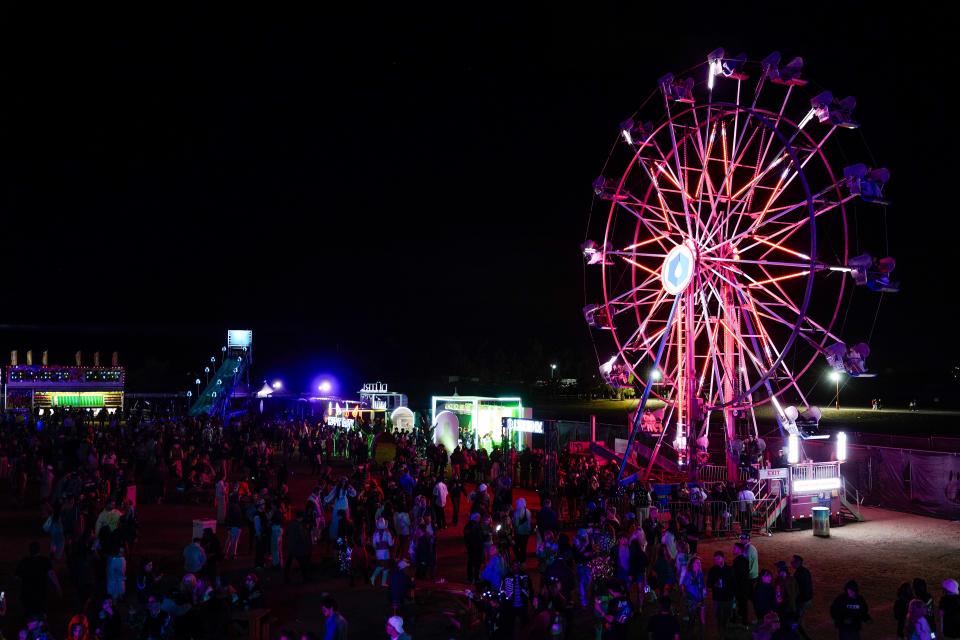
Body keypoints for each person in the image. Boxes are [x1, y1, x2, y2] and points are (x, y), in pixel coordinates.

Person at [15, 540, 62, 618]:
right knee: (41, 615)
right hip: (40, 594)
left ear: (30, 550)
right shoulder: (44, 561)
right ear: (39, 550)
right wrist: (58, 588)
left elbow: (16, 578)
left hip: (26, 594)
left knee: (29, 616)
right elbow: (52, 575)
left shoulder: (24, 562)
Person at [707, 550, 735, 634]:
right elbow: (708, 583)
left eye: (718, 558)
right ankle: (720, 631)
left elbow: (734, 584)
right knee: (718, 615)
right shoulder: (712, 570)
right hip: (717, 598)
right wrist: (714, 584)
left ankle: (725, 628)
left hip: (728, 598)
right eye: (715, 559)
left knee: (727, 615)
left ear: (723, 558)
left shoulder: (730, 569)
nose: (716, 560)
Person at [791, 555, 813, 639]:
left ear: (798, 563)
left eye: (793, 562)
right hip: (808, 599)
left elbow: (797, 590)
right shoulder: (805, 571)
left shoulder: (798, 574)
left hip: (803, 601)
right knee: (799, 619)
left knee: (797, 620)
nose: (792, 563)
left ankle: (802, 636)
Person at [512, 497, 532, 563]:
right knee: (524, 547)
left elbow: (516, 524)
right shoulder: (528, 511)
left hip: (519, 533)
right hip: (526, 533)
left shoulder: (517, 512)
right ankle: (523, 560)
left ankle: (519, 558)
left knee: (515, 546)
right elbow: (529, 522)